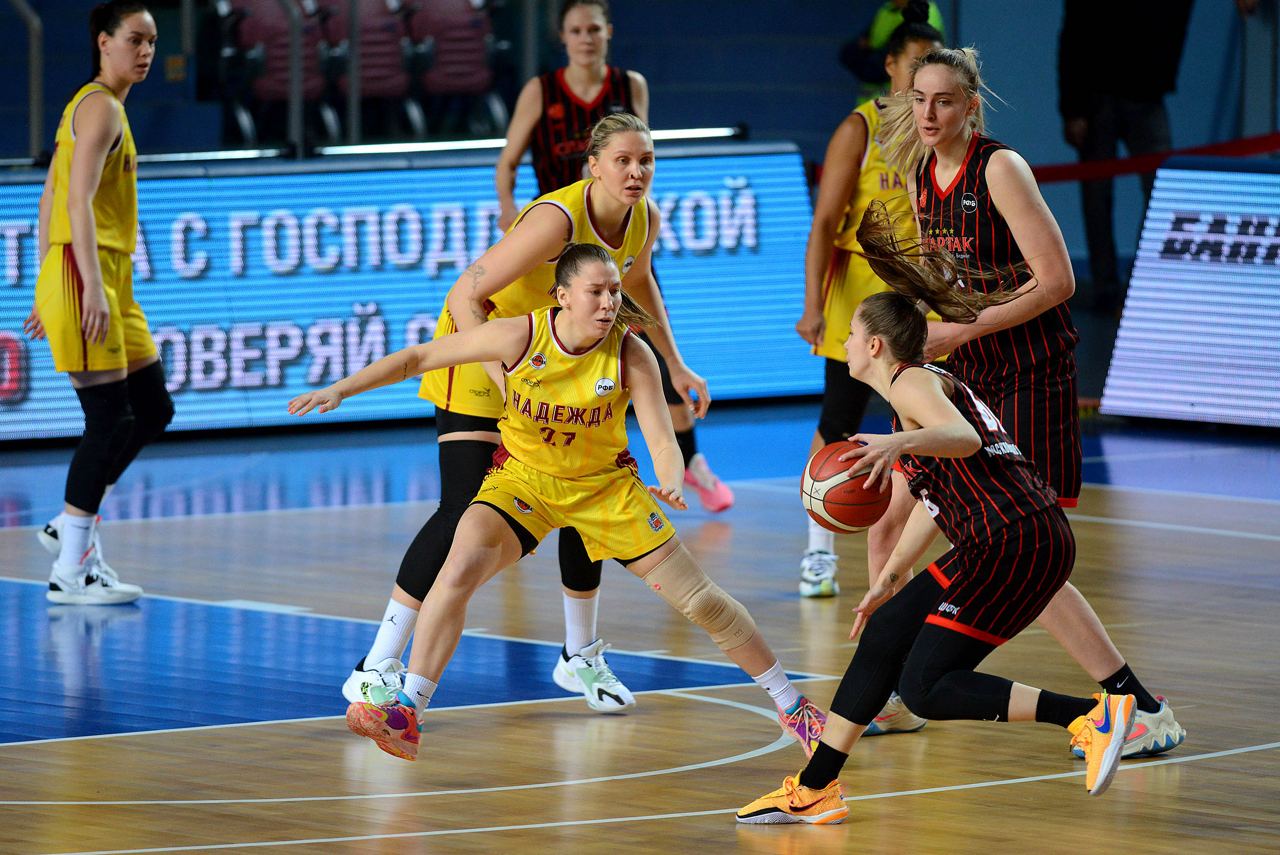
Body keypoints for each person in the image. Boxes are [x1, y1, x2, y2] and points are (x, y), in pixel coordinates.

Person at [290, 244, 827, 762]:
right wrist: (342, 389)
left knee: (702, 602)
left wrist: (670, 481)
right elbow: (417, 357)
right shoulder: (519, 335)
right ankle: (409, 709)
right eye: (596, 291)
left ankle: (794, 707)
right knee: (459, 565)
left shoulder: (631, 351)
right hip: (524, 482)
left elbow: (662, 439)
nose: (609, 302)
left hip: (603, 489)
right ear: (562, 296)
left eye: (615, 291)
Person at [737, 215, 1136, 825]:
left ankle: (1089, 716)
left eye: (851, 334)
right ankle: (815, 788)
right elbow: (935, 498)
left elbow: (963, 439)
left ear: (875, 346)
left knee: (926, 685)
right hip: (1006, 537)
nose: (844, 343)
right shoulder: (920, 391)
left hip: (1015, 539)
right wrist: (891, 575)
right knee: (885, 632)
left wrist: (897, 445)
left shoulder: (912, 383)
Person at [867, 46, 1184, 759]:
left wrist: (964, 327)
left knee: (1021, 549)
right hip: (969, 372)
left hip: (1031, 373)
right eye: (919, 99)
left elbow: (1058, 280)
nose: (928, 113)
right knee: (925, 527)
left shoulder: (999, 168)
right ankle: (898, 689)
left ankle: (1137, 705)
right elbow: (948, 282)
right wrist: (920, 330)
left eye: (944, 100)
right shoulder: (919, 174)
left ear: (970, 106)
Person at [341, 113, 709, 716]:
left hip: (555, 364)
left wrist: (676, 364)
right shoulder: (555, 220)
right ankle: (376, 663)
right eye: (622, 160)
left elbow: (640, 286)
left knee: (586, 485)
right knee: (462, 508)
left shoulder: (644, 217)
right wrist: (506, 381)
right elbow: (466, 294)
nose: (636, 172)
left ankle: (578, 654)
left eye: (645, 160)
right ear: (593, 166)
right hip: (488, 350)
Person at [496, 0, 732, 513]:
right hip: (562, 248)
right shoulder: (541, 92)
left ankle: (687, 458)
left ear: (609, 33)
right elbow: (507, 161)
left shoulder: (630, 88)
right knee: (561, 356)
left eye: (594, 29)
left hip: (614, 240)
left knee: (652, 346)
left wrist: (678, 362)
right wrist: (509, 209)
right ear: (563, 37)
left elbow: (637, 148)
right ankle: (535, 464)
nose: (586, 38)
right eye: (576, 30)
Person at [22, 1, 173, 606]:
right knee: (109, 419)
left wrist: (48, 279)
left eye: (152, 42)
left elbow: (48, 193)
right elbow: (74, 201)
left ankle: (70, 522)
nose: (146, 52)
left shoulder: (97, 107)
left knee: (153, 407)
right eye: (134, 39)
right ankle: (70, 570)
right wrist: (79, 284)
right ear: (103, 41)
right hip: (89, 273)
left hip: (103, 273)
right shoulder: (101, 107)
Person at [795, 4, 940, 602]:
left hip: (925, 293)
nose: (925, 75)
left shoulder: (941, 129)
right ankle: (818, 550)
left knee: (925, 421)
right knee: (840, 418)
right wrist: (813, 303)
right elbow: (825, 220)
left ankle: (913, 550)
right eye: (916, 63)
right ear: (890, 66)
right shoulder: (860, 126)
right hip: (861, 288)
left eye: (935, 64)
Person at [1058, 1, 1192, 312]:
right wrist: (1073, 109)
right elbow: (1074, 37)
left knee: (1162, 191)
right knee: (1097, 195)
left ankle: (1146, 281)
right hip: (1098, 95)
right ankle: (1106, 286)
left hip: (1147, 92)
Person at [838, 0, 945, 103]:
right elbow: (848, 53)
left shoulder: (922, 17)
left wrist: (865, 57)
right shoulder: (887, 9)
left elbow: (874, 69)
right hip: (876, 106)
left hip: (897, 104)